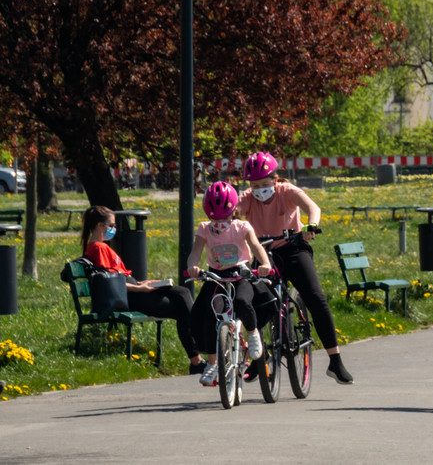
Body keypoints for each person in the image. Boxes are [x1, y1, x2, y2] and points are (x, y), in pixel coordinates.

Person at [235, 151, 354, 384]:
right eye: (255, 185)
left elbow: (313, 208)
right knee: (257, 304)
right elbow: (233, 211)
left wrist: (311, 224)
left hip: (293, 248)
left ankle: (335, 361)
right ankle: (258, 357)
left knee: (316, 298)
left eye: (264, 183)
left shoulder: (287, 191)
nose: (260, 189)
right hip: (264, 252)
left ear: (275, 179)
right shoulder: (248, 197)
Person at [80, 206, 206, 374]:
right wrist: (140, 289)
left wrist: (143, 283)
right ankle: (199, 358)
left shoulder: (102, 247)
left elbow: (118, 277)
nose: (113, 229)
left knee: (181, 292)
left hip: (133, 289)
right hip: (130, 297)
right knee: (181, 306)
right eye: (111, 225)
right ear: (99, 226)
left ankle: (198, 359)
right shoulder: (99, 248)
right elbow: (109, 284)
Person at [187, 182, 272, 386]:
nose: (219, 222)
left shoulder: (242, 227)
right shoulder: (204, 229)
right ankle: (212, 363)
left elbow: (256, 247)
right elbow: (195, 252)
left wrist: (265, 264)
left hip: (240, 273)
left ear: (233, 211)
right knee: (208, 315)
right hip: (216, 275)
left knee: (243, 301)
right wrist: (193, 267)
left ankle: (252, 334)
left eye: (224, 217)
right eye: (214, 218)